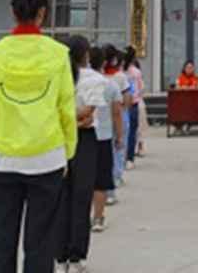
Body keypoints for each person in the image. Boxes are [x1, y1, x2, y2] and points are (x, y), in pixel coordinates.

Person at [0, 0, 77, 273]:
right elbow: (66, 110)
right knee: (41, 246)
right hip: (47, 158)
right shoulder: (59, 54)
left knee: (1, 244)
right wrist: (67, 152)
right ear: (42, 13)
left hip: (2, 159)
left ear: (13, 12)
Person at [54, 36, 106, 273]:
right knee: (81, 198)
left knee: (61, 197)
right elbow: (87, 114)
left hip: (59, 136)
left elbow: (84, 114)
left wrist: (65, 119)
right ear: (86, 54)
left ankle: (60, 255)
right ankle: (77, 255)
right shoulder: (95, 79)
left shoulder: (58, 76)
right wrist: (77, 119)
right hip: (84, 141)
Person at [90, 46, 121, 233]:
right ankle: (98, 218)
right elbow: (116, 112)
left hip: (82, 135)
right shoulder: (110, 85)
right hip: (103, 136)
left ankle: (80, 216)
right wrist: (119, 135)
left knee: (83, 179)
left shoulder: (77, 82)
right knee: (100, 181)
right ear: (103, 62)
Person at [103, 45, 132, 193]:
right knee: (119, 146)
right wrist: (124, 108)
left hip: (101, 116)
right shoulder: (120, 77)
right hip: (119, 113)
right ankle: (117, 175)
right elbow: (127, 98)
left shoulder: (98, 76)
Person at [124, 47, 144, 171]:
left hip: (122, 104)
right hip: (133, 104)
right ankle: (129, 158)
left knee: (122, 132)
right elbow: (140, 88)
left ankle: (121, 157)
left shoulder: (121, 72)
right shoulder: (136, 72)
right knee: (132, 132)